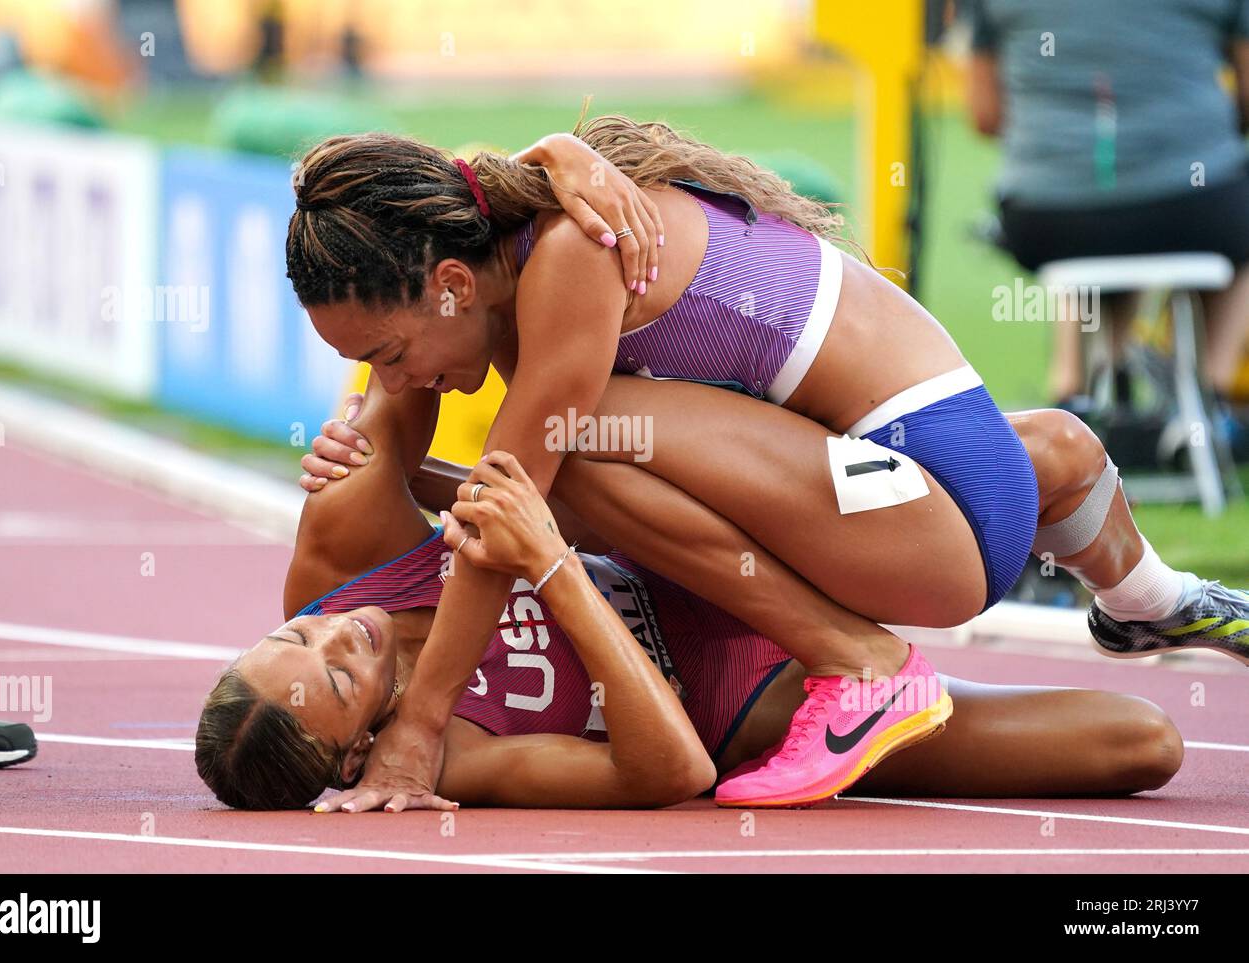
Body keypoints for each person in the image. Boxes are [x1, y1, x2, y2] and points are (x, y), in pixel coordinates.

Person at [283, 117, 1248, 810]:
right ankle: (1144, 590)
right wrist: (406, 470)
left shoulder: (568, 257)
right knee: (1141, 739)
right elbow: (492, 478)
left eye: (387, 355)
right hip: (943, 467)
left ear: (452, 282)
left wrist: (417, 727)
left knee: (551, 459)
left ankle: (859, 666)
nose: (394, 384)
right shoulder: (518, 249)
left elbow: (514, 501)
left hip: (935, 499)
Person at [194, 379, 1183, 811]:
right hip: (759, 705)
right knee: (1139, 743)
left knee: (1053, 450)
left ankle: (1152, 597)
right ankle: (858, 671)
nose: (346, 632)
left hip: (710, 548)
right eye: (338, 672)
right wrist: (548, 567)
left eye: (300, 628)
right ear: (361, 748)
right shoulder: (449, 759)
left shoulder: (340, 558)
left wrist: (357, 422)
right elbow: (667, 768)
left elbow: (411, 337)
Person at [967, 0, 1249, 429]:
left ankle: (1073, 392)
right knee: (1196, 217)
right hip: (1194, 208)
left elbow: (985, 115)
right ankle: (1211, 403)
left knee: (1097, 213)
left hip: (1046, 217)